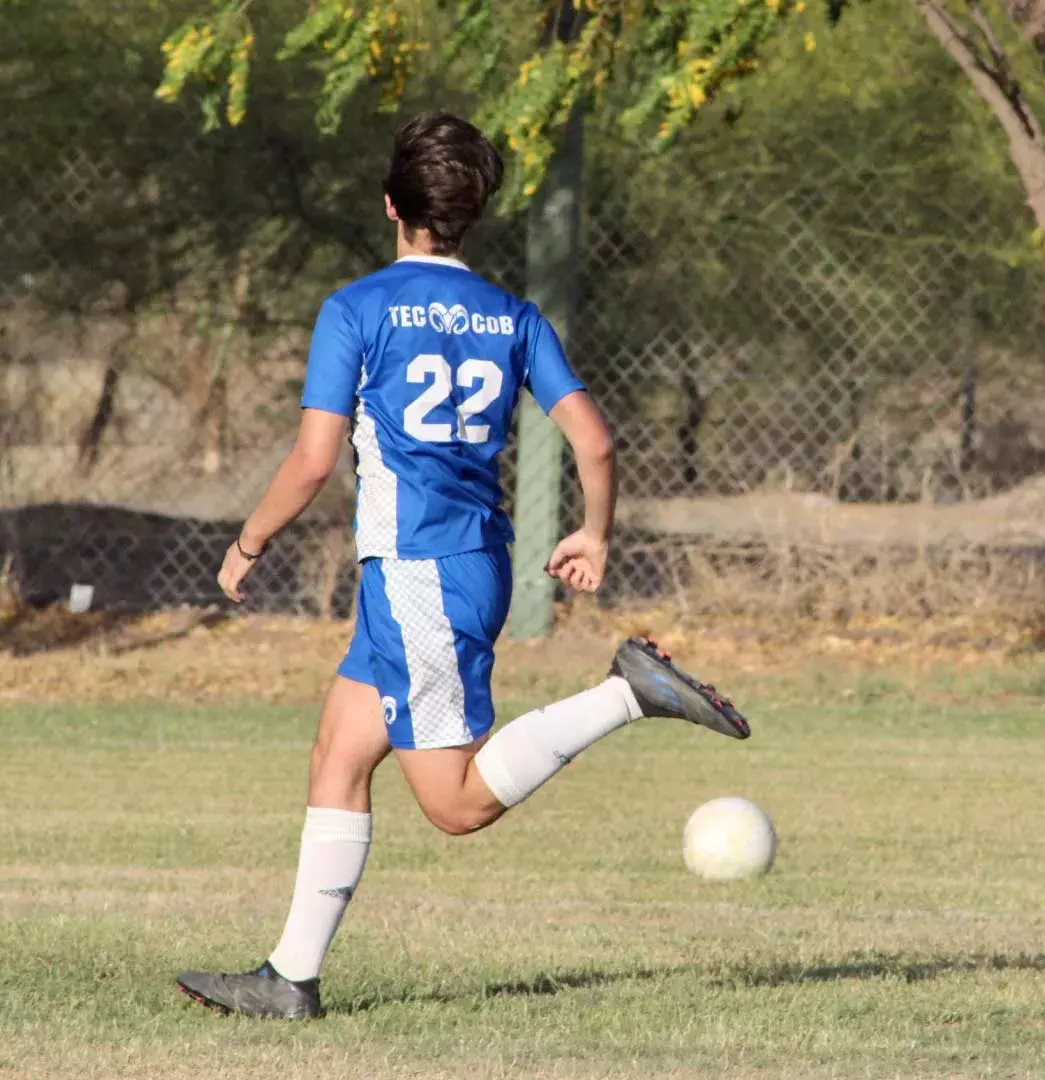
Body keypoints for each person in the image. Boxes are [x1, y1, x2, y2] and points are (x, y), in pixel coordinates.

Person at [174, 113, 750, 1020]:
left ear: (391, 205)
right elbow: (593, 441)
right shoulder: (514, 317)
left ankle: (628, 695)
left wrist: (248, 543)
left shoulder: (357, 309)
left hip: (418, 576)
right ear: (470, 216)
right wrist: (594, 535)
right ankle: (290, 977)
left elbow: (313, 462)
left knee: (455, 806)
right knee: (339, 752)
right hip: (458, 566)